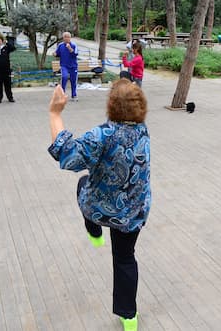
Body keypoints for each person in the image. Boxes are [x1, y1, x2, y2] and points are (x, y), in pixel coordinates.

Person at [48, 79, 150, 331]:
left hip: (102, 209)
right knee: (125, 259)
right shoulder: (142, 130)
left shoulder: (102, 134)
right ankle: (129, 317)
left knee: (83, 185)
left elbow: (67, 155)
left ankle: (94, 230)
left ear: (112, 105)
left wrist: (55, 113)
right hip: (133, 211)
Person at [53, 31, 79, 100]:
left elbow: (75, 54)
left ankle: (74, 95)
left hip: (73, 66)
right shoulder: (60, 45)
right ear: (63, 38)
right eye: (65, 37)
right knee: (64, 77)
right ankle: (62, 94)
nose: (67, 38)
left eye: (68, 37)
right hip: (64, 65)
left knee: (73, 81)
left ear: (70, 38)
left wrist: (70, 48)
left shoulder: (74, 45)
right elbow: (57, 53)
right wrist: (55, 54)